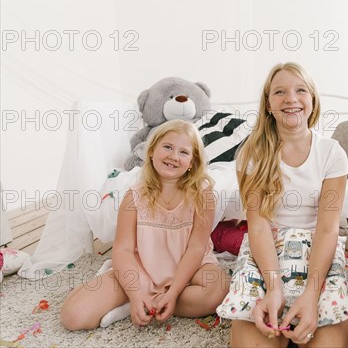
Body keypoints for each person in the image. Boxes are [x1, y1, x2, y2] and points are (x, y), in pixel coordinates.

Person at [227, 62, 348, 347]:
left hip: (317, 253)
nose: (291, 99)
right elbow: (257, 227)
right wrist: (274, 288)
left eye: (300, 90)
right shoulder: (251, 153)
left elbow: (327, 230)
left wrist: (311, 293)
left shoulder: (332, 153)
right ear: (268, 104)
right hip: (267, 252)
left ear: (312, 100)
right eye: (279, 92)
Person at [61, 119, 228, 330]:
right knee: (74, 317)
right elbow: (123, 249)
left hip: (189, 268)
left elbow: (196, 247)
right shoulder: (134, 196)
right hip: (143, 269)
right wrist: (135, 291)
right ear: (151, 151)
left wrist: (174, 292)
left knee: (218, 289)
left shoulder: (203, 194)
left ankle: (156, 302)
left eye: (184, 152)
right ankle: (139, 300)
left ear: (193, 162)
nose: (174, 156)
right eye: (167, 147)